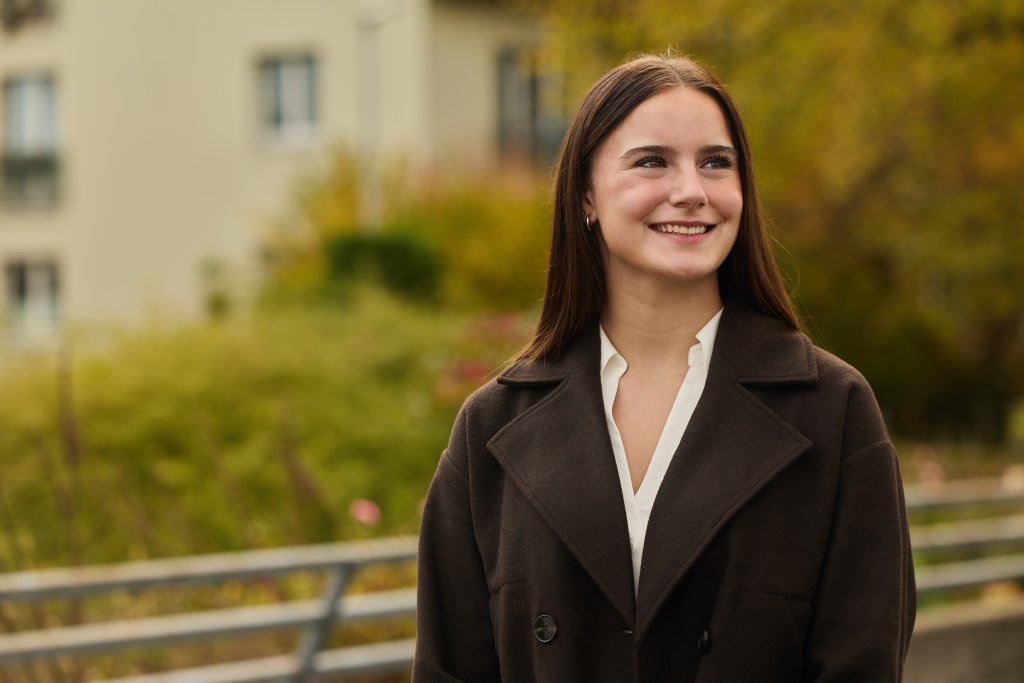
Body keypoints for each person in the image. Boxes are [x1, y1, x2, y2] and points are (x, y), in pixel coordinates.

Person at [413, 53, 916, 682]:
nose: (692, 191)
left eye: (716, 162)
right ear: (586, 194)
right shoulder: (490, 425)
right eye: (653, 161)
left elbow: (862, 663)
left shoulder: (832, 409)